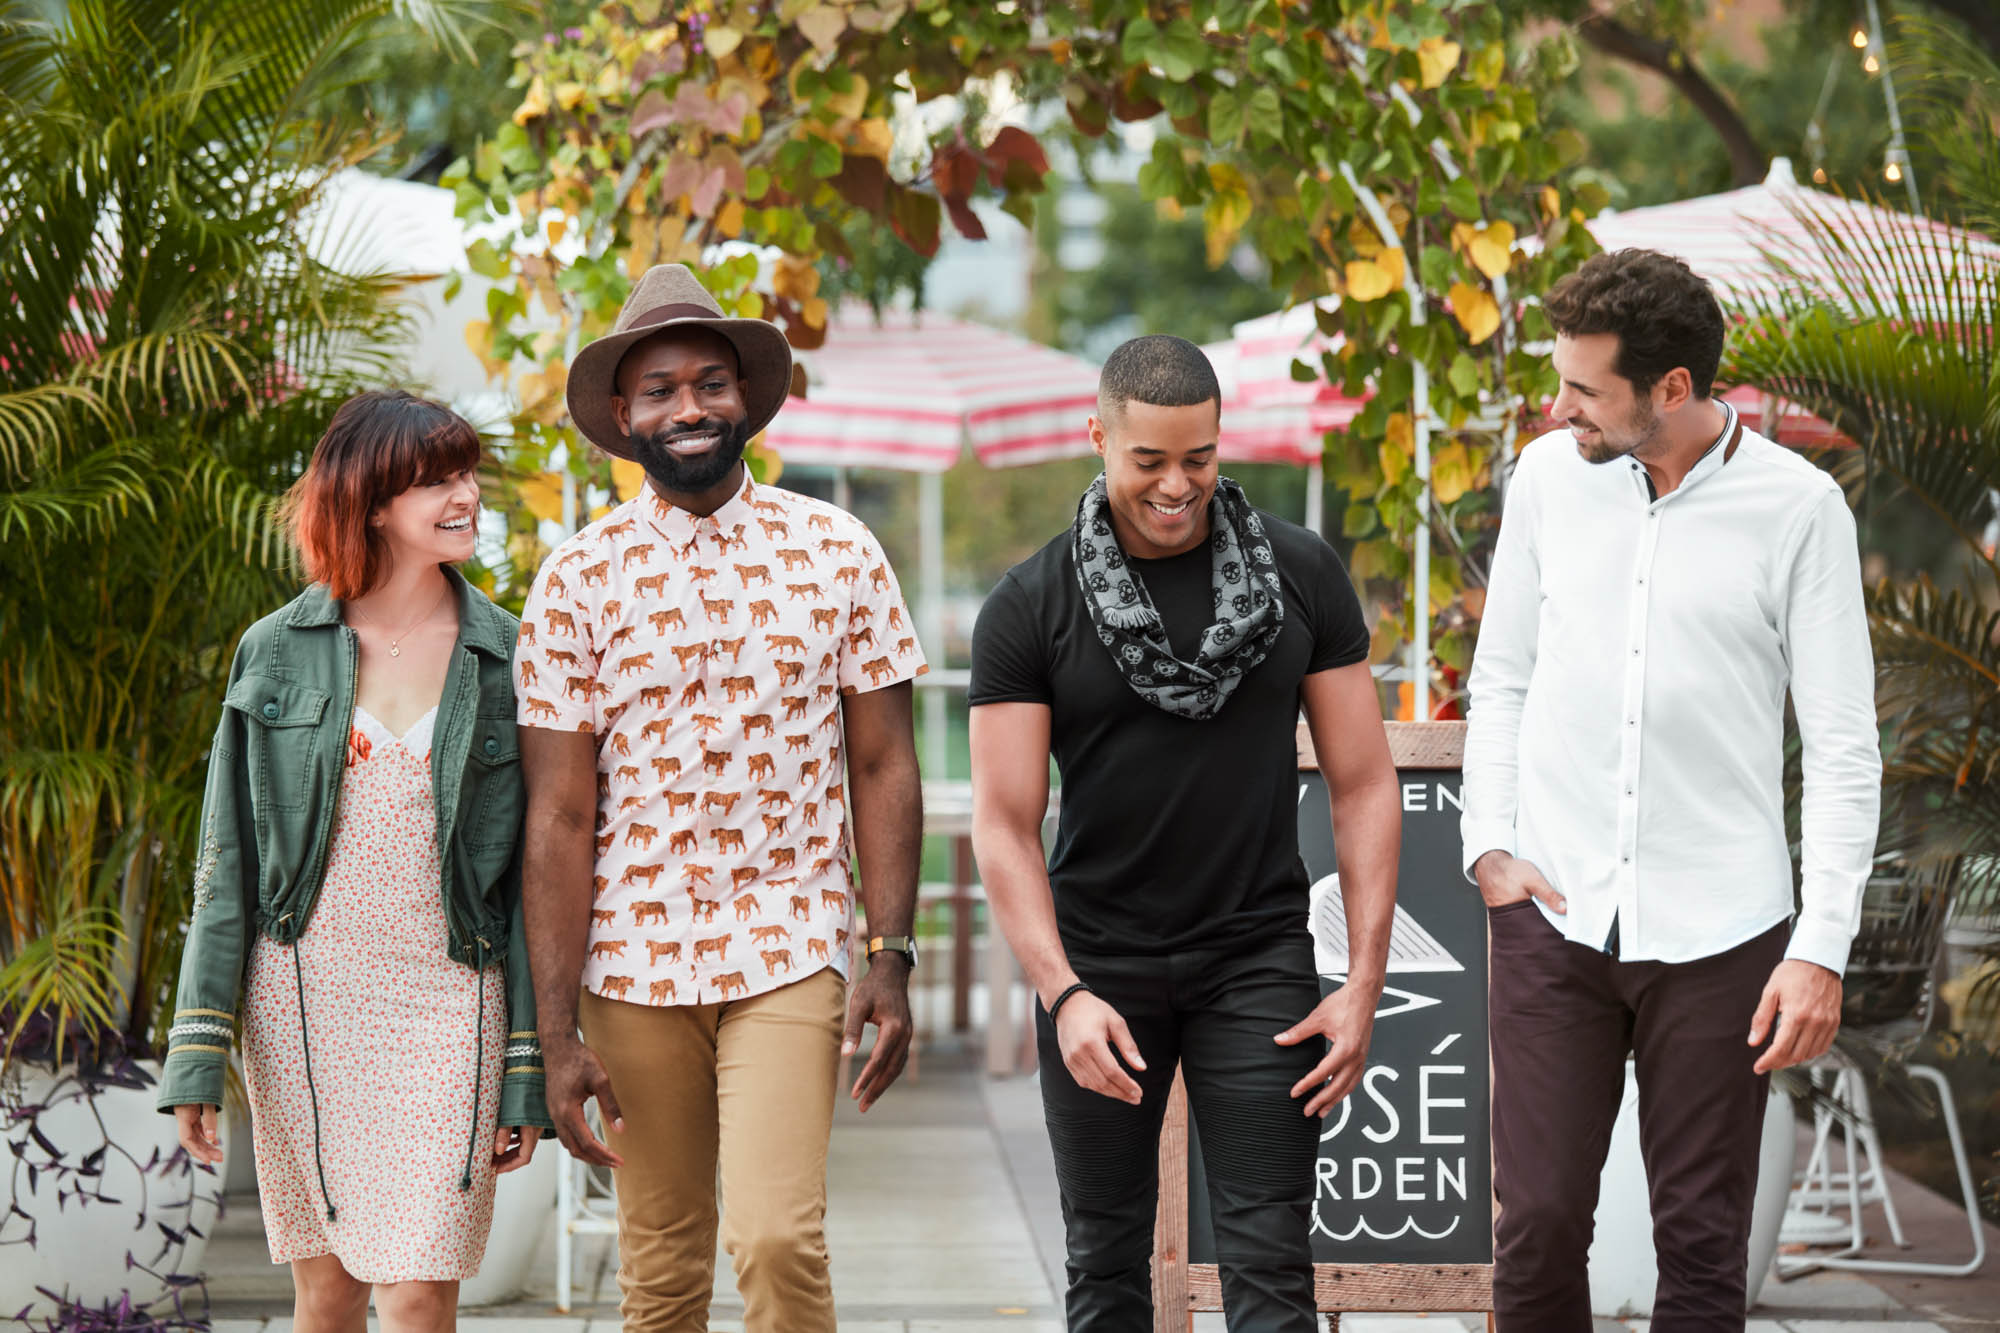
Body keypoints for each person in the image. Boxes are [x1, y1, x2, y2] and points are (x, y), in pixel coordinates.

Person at [1461, 248, 1882, 1331]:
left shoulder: (1798, 511)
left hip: (1723, 927)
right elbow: (1500, 676)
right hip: (1552, 910)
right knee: (1539, 1218)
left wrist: (1817, 950)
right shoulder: (1547, 481)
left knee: (1701, 1237)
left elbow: (1839, 746)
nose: (1559, 411)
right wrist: (1488, 844)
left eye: (1584, 390)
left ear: (1672, 389)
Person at [517, 263, 926, 1332]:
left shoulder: (837, 550)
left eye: (708, 383)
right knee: (659, 1276)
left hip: (787, 941)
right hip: (630, 962)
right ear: (621, 415)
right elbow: (558, 815)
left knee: (776, 1237)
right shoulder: (575, 579)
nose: (687, 408)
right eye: (658, 390)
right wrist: (553, 1032)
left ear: (745, 396)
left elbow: (883, 762)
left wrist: (890, 951)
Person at [968, 335, 1401, 1330]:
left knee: (1268, 1263)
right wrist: (1060, 991)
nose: (1176, 486)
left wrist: (1362, 982)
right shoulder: (1029, 605)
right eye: (1148, 461)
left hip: (1255, 957)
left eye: (1198, 458)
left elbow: (1364, 782)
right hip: (1097, 961)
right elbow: (1002, 822)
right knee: (1107, 1262)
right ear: (1097, 439)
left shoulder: (1298, 573)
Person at [158, 390, 550, 1332]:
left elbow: (538, 877)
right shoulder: (275, 651)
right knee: (326, 1295)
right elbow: (228, 865)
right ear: (373, 501)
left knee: (419, 1291)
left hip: (456, 999)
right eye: (437, 481)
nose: (466, 496)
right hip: (305, 1000)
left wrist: (529, 1060)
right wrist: (196, 1048)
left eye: (468, 475)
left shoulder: (511, 656)